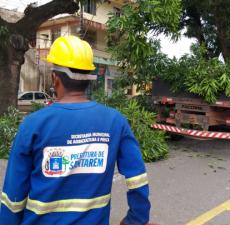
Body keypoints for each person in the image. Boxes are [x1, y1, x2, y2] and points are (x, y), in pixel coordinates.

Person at [0, 36, 151, 225]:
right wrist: (136, 219)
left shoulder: (33, 124)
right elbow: (137, 178)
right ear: (88, 80)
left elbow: (13, 198)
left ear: (55, 79)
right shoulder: (115, 121)